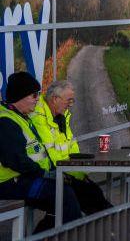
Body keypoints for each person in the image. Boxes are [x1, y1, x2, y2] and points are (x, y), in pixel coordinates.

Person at [0, 72, 82, 232]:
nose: (38, 98)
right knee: (63, 195)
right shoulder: (6, 121)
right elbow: (16, 160)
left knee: (70, 193)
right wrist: (45, 174)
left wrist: (52, 172)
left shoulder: (21, 117)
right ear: (20, 96)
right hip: (9, 183)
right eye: (34, 95)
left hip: (24, 179)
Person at [31, 80, 112, 215]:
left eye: (72, 101)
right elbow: (52, 156)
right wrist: (73, 177)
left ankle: (111, 224)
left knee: (94, 192)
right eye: (68, 100)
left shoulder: (61, 117)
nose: (70, 105)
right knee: (84, 200)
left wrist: (81, 174)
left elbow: (73, 151)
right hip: (50, 176)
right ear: (55, 99)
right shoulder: (39, 119)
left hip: (66, 173)